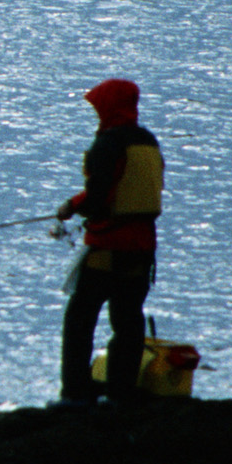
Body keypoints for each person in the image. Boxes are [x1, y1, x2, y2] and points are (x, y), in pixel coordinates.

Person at [55, 76, 165, 406]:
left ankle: (76, 395)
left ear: (108, 106)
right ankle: (121, 396)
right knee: (128, 321)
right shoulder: (148, 142)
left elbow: (97, 197)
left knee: (80, 318)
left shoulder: (107, 144)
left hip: (108, 247)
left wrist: (70, 206)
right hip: (143, 248)